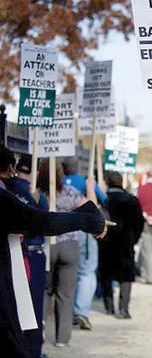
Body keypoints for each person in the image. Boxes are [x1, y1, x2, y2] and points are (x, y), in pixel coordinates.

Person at [0, 152, 110, 358]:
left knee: (47, 295)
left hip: (46, 250)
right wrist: (88, 218)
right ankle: (59, 338)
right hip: (48, 250)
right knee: (61, 295)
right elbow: (42, 221)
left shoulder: (26, 191)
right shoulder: (12, 196)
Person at [40, 158, 100, 346]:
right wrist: (91, 187)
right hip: (69, 246)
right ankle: (62, 339)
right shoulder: (72, 193)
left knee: (44, 291)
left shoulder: (36, 193)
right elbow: (92, 208)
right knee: (65, 294)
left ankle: (39, 329)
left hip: (46, 245)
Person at [3, 154, 49, 358]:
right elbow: (44, 224)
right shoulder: (22, 193)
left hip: (19, 254)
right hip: (25, 255)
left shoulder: (11, 189)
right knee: (28, 310)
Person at [61, 157, 106, 331]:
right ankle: (81, 311)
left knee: (68, 272)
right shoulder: (86, 182)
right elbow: (100, 202)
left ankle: (70, 311)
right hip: (83, 229)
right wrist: (97, 189)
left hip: (61, 230)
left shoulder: (56, 181)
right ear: (78, 167)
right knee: (87, 271)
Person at [99, 172, 145, 319]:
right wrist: (133, 239)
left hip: (106, 243)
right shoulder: (132, 200)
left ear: (107, 183)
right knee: (126, 276)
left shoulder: (105, 201)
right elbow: (140, 223)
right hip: (126, 243)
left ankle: (109, 306)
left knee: (106, 275)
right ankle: (124, 308)